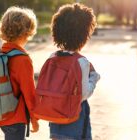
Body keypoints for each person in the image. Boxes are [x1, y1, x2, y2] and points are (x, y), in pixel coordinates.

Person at [48, 3, 100, 140]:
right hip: (74, 123)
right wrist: (94, 77)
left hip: (55, 121)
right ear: (84, 35)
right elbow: (83, 94)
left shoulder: (52, 57)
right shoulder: (81, 62)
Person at [0, 6, 39, 140]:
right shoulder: (22, 59)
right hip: (15, 116)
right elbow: (29, 93)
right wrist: (34, 119)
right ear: (25, 33)